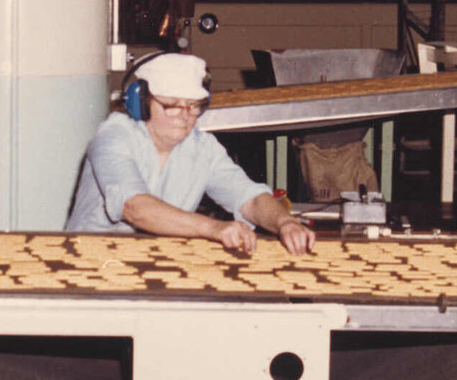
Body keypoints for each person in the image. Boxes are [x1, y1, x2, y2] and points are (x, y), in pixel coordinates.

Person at [66, 52, 314, 256]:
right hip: (92, 262)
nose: (185, 116)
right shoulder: (114, 136)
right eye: (171, 105)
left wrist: (285, 222)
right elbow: (136, 207)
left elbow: (249, 198)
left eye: (194, 106)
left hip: (157, 262)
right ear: (140, 103)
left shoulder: (202, 147)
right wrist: (213, 228)